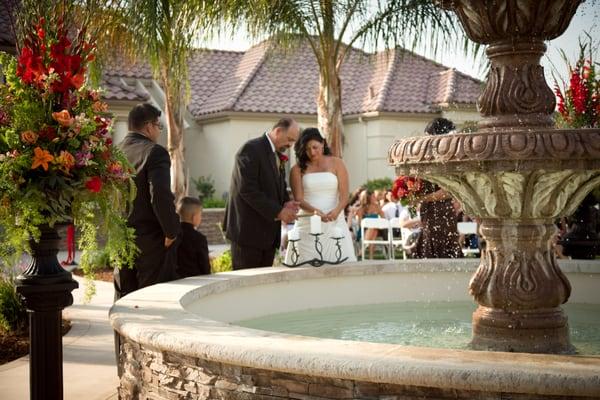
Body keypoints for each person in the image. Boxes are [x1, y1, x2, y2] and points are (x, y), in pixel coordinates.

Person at [114, 102, 180, 376]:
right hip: (151, 240)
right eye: (159, 126)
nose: (160, 131)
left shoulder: (115, 153)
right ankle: (151, 372)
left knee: (123, 302)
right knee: (151, 305)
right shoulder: (155, 152)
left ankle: (124, 368)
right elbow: (160, 196)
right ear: (150, 126)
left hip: (121, 239)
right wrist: (171, 231)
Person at [224, 117, 301, 269]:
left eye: (293, 142)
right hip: (247, 234)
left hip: (267, 236)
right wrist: (279, 211)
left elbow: (276, 186)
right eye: (289, 140)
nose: (290, 145)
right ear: (278, 131)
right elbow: (247, 189)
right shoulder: (251, 149)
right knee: (245, 287)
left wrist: (285, 202)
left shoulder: (276, 154)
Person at [285, 128, 356, 264]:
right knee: (304, 265)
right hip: (308, 221)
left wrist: (336, 212)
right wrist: (316, 212)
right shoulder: (297, 169)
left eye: (315, 147)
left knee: (340, 263)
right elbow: (299, 199)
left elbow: (345, 195)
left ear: (323, 143)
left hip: (334, 220)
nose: (312, 152)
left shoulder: (337, 163)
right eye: (307, 149)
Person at [412, 118, 463, 258]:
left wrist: (422, 198)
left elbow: (447, 191)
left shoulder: (445, 160)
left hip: (441, 214)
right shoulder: (430, 159)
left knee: (439, 250)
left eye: (428, 135)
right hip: (430, 213)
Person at [176, 197, 211, 278]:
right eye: (200, 215)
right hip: (195, 280)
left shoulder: (173, 236)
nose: (201, 218)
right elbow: (205, 268)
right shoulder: (199, 239)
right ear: (194, 217)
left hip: (175, 280)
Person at [356, 189, 384, 259]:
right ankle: (370, 257)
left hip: (376, 229)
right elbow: (360, 224)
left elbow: (383, 218)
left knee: (374, 229)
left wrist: (380, 213)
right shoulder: (361, 209)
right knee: (373, 229)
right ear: (368, 198)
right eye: (373, 197)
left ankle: (363, 249)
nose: (375, 198)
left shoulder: (377, 207)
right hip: (363, 231)